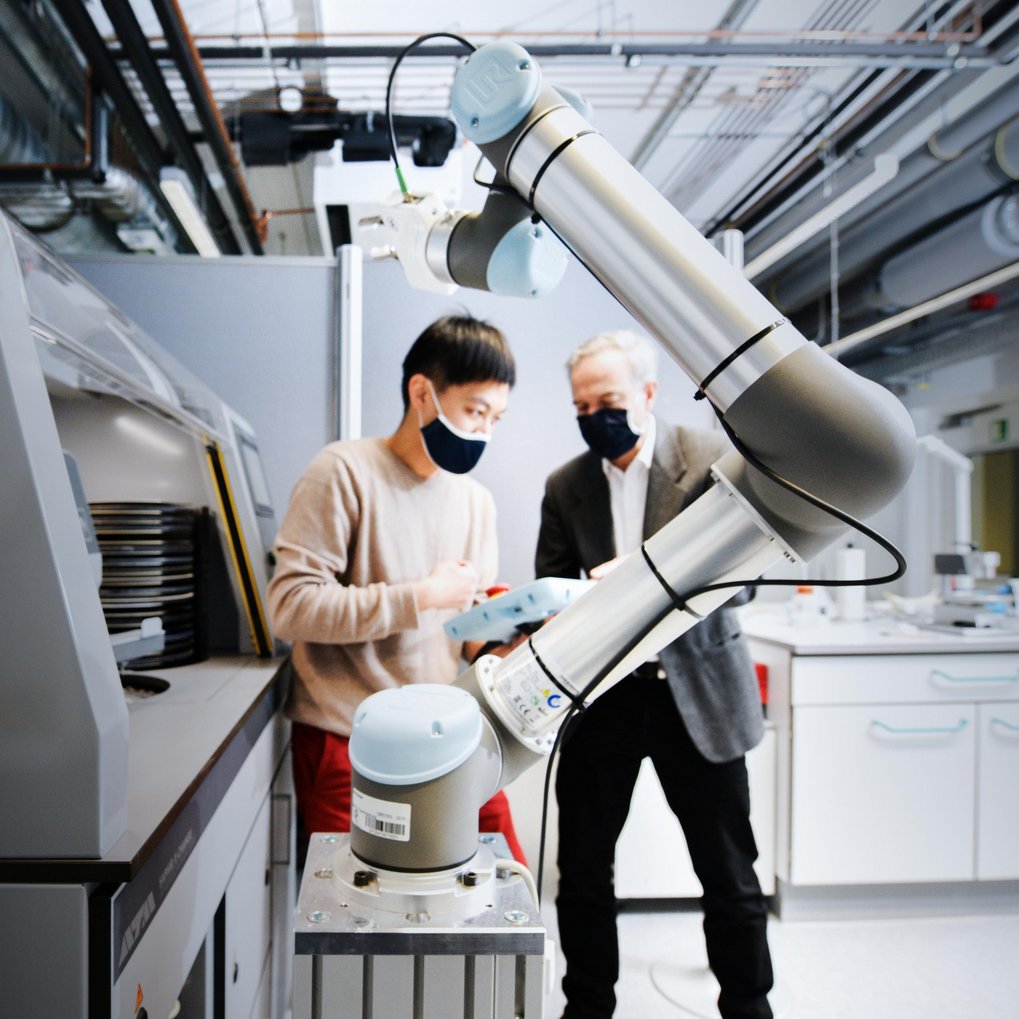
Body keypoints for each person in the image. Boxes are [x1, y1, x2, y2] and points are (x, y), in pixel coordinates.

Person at [536, 330, 773, 1019]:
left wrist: (642, 578)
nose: (592, 417)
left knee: (728, 869)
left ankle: (749, 1005)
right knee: (581, 870)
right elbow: (550, 592)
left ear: (646, 392)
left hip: (695, 690)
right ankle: (587, 1005)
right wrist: (583, 593)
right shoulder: (566, 486)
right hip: (604, 694)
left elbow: (744, 579)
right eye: (580, 405)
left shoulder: (707, 460)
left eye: (606, 400)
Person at [267, 313, 526, 863]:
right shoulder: (343, 471)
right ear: (423, 394)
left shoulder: (475, 502)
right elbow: (289, 608)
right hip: (352, 743)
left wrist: (506, 633)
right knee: (363, 924)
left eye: (496, 418)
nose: (484, 432)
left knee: (502, 894)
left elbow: (463, 640)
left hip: (452, 740)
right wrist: (421, 596)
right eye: (475, 411)